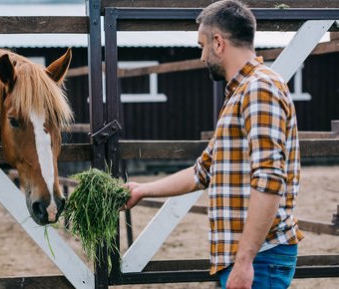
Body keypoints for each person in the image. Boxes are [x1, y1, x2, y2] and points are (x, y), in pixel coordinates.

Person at [123, 1, 304, 288]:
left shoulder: (258, 89)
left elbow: (270, 179)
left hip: (259, 259)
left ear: (218, 42)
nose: (201, 56)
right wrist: (143, 190)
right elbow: (203, 171)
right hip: (250, 258)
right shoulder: (240, 93)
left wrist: (244, 262)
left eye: (202, 46)